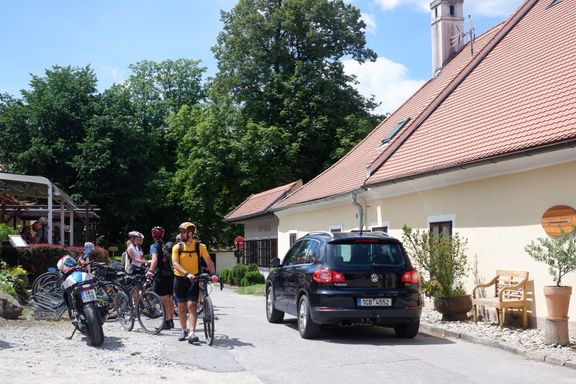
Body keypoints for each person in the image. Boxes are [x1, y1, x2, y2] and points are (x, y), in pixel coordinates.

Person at [172, 222, 216, 344]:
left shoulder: (199, 246)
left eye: (183, 232)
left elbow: (209, 261)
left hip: (194, 279)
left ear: (190, 233)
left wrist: (214, 274)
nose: (181, 234)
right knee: (181, 307)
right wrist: (186, 274)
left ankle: (192, 333)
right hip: (180, 278)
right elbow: (175, 264)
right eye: (180, 232)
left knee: (192, 305)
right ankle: (183, 329)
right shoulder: (177, 247)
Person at [146, 226, 175, 330]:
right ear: (162, 235)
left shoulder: (154, 246)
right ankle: (171, 321)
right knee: (169, 298)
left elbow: (154, 260)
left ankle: (166, 322)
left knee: (163, 299)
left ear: (152, 235)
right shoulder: (166, 245)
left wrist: (150, 271)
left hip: (161, 275)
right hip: (171, 275)